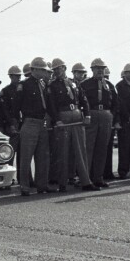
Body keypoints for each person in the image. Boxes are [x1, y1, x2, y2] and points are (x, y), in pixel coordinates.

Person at [46, 59, 98, 192]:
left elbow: (83, 99)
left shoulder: (74, 83)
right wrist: (57, 120)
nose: (57, 71)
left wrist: (87, 115)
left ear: (64, 67)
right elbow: (51, 105)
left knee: (81, 150)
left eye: (59, 68)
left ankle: (86, 181)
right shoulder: (52, 86)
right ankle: (62, 183)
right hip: (63, 116)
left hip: (77, 114)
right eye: (55, 69)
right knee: (63, 151)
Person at [13, 57, 52, 195]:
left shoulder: (43, 85)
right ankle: (25, 186)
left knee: (43, 156)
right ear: (34, 69)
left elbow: (48, 104)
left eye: (44, 70)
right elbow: (16, 106)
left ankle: (42, 185)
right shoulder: (23, 85)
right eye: (41, 70)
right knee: (26, 156)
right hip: (29, 122)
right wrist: (16, 123)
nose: (43, 72)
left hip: (42, 123)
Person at [82, 58, 116, 188]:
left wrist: (111, 115)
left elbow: (115, 102)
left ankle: (98, 177)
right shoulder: (85, 84)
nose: (100, 71)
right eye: (97, 68)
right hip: (92, 114)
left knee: (102, 148)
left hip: (106, 115)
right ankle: (86, 178)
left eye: (102, 68)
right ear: (92, 70)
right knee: (89, 147)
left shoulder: (109, 85)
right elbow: (81, 101)